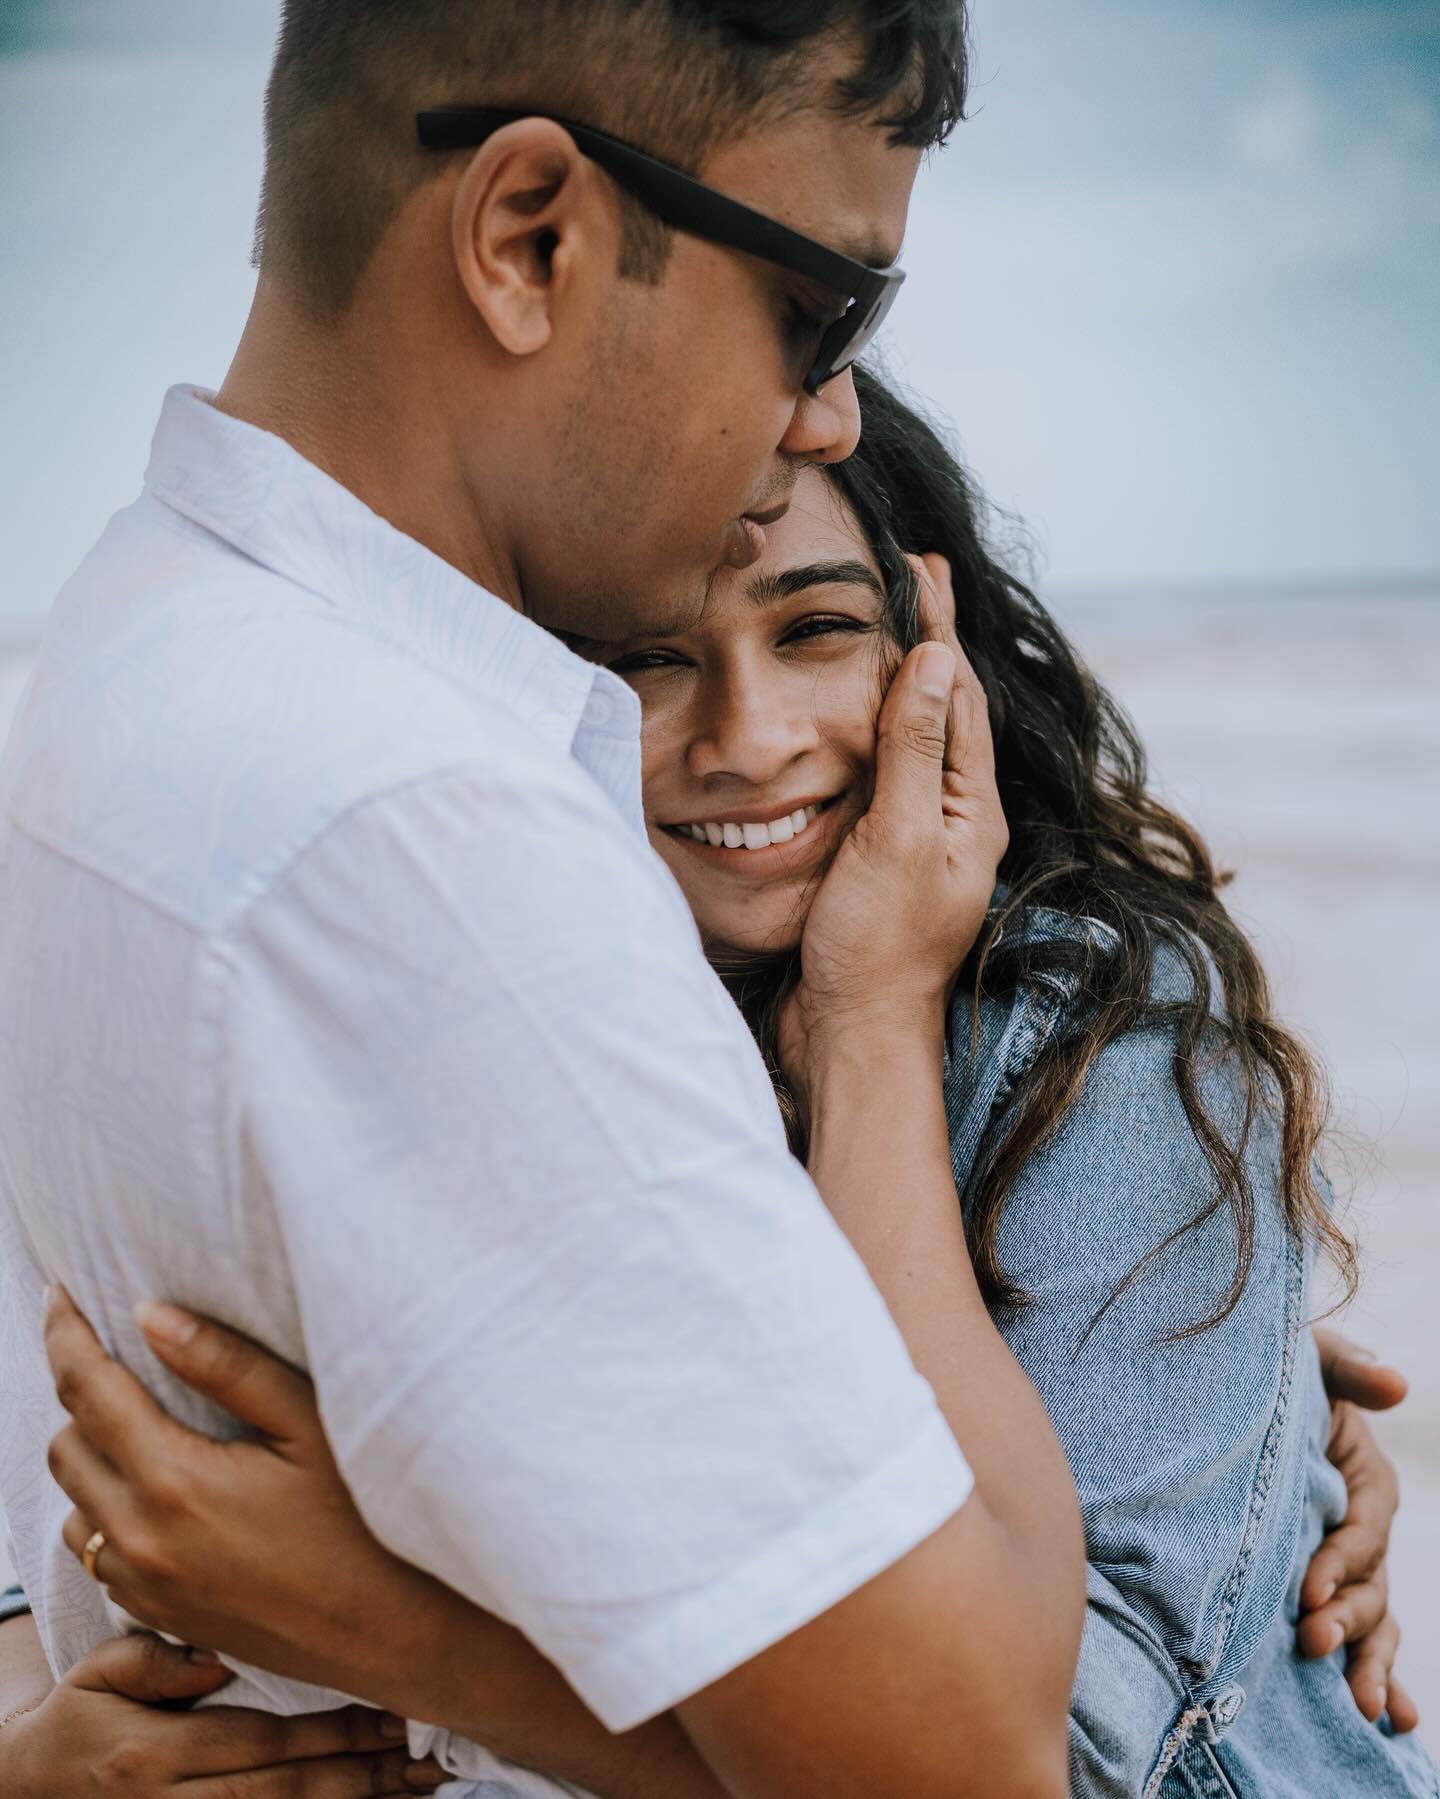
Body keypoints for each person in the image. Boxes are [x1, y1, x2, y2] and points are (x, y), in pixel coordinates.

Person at [3, 371, 1434, 1799]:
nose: (748, 739)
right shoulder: (482, 1009)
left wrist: (409, 1650)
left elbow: (1039, 1769)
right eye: (642, 662)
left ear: (935, 660)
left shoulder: (1101, 1037)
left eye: (817, 630)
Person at [0, 4, 1092, 1796]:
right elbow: (975, 1766)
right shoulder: (422, 843)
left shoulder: (131, 651)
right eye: (820, 307)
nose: (825, 408)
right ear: (529, 240)